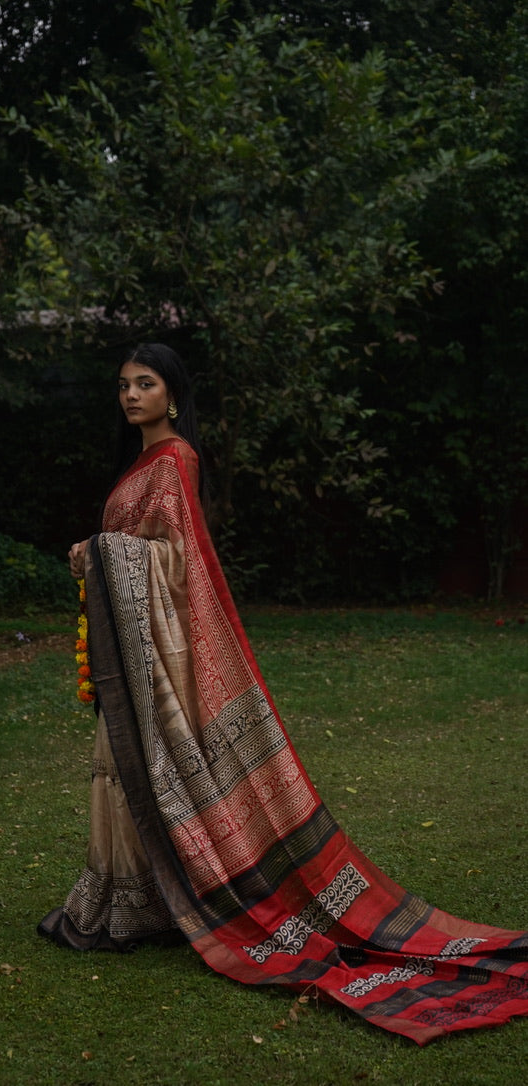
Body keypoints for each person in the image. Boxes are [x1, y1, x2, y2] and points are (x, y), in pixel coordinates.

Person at [38, 343, 528, 1045]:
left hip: (157, 656)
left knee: (130, 767)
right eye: (123, 385)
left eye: (145, 384)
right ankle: (135, 902)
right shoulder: (142, 464)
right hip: (133, 649)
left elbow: (174, 562)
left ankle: (141, 903)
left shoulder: (175, 461)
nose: (130, 395)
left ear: (173, 396)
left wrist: (98, 553)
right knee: (122, 767)